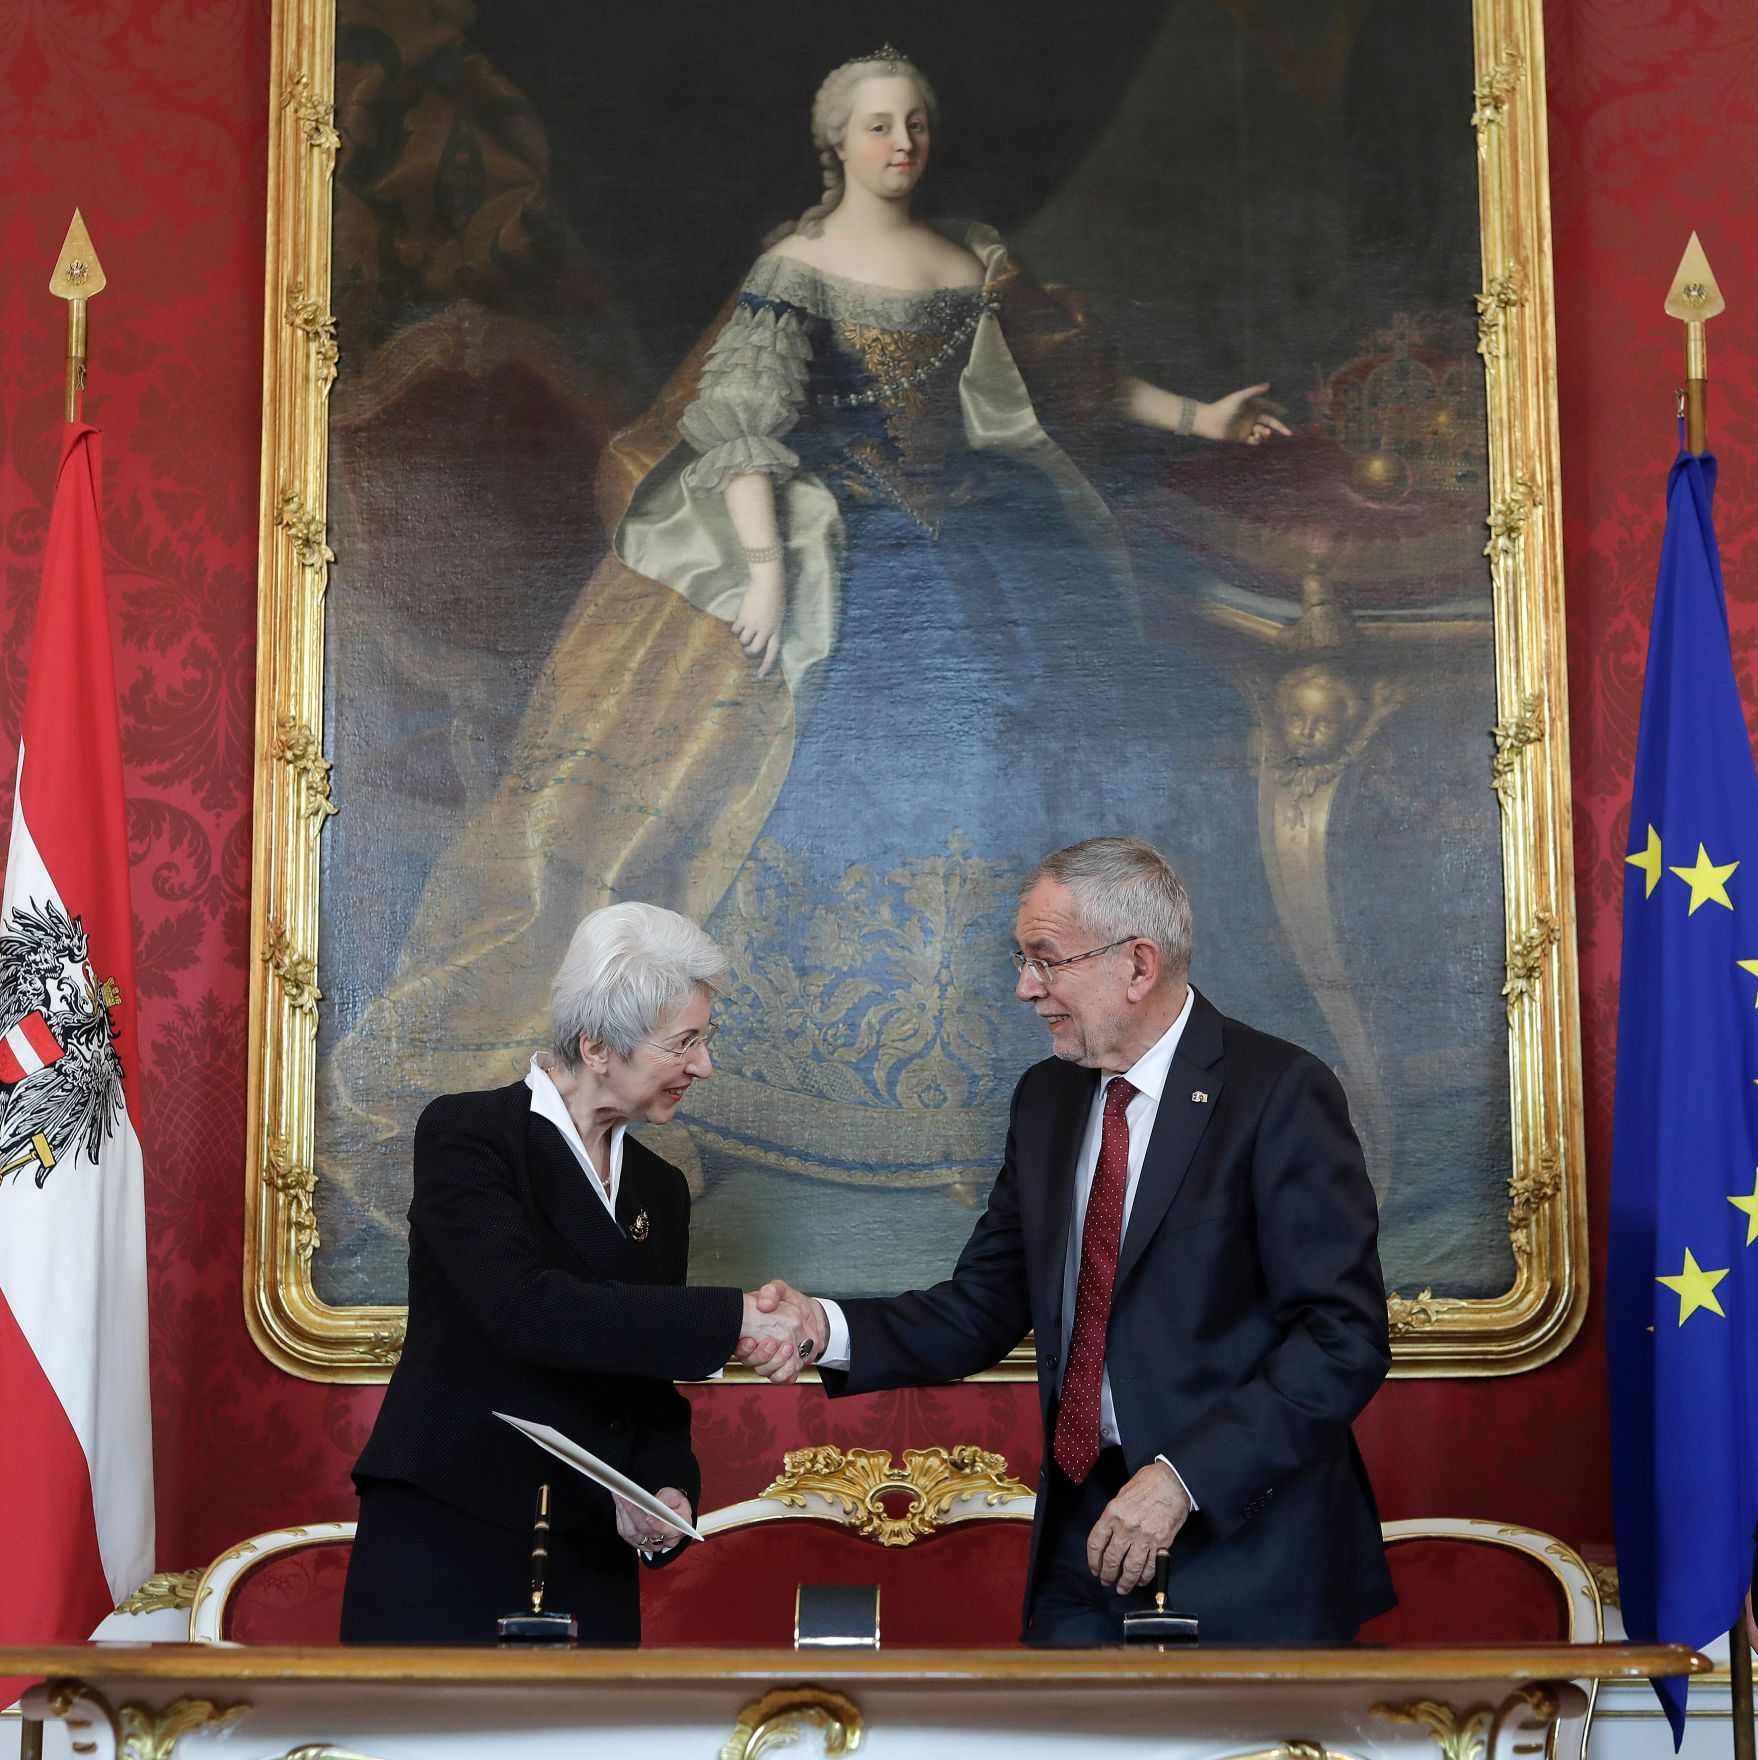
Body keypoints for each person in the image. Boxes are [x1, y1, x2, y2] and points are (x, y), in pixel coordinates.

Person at [326, 45, 1288, 1224]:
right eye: (879, 125)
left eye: (916, 123)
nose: (902, 144)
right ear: (836, 142)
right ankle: (810, 1088)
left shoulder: (971, 255)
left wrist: (1199, 413)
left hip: (987, 537)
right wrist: (771, 577)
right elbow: (738, 427)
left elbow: (1070, 382)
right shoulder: (798, 265)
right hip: (848, 545)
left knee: (1047, 736)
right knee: (860, 752)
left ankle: (1026, 1066)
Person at [745, 837, 1395, 1645]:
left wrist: (1183, 1480)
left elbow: (1343, 1338)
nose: (1026, 989)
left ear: (1137, 964)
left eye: (1045, 961)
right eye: (1023, 961)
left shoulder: (1279, 1093)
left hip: (1246, 1551)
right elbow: (986, 1300)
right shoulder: (1047, 1099)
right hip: (1079, 1550)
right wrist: (824, 1328)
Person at [339, 902, 817, 1643]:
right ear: (597, 1047)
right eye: (682, 1043)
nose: (703, 1065)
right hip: (449, 1532)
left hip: (589, 1547)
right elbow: (525, 1309)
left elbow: (646, 1382)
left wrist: (665, 1489)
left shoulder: (659, 1189)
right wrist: (737, 1319)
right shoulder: (468, 1135)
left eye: (704, 1039)